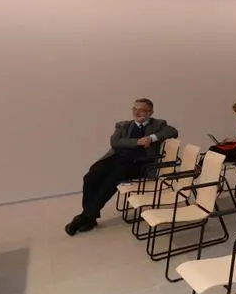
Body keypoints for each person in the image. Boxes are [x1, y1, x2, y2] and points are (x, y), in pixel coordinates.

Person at [65, 98, 178, 236]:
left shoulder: (159, 124)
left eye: (141, 110)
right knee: (91, 176)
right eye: (134, 109)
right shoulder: (123, 125)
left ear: (150, 112)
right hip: (116, 158)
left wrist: (151, 138)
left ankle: (85, 218)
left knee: (111, 181)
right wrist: (138, 141)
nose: (136, 112)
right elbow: (115, 142)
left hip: (139, 164)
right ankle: (90, 216)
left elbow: (173, 131)